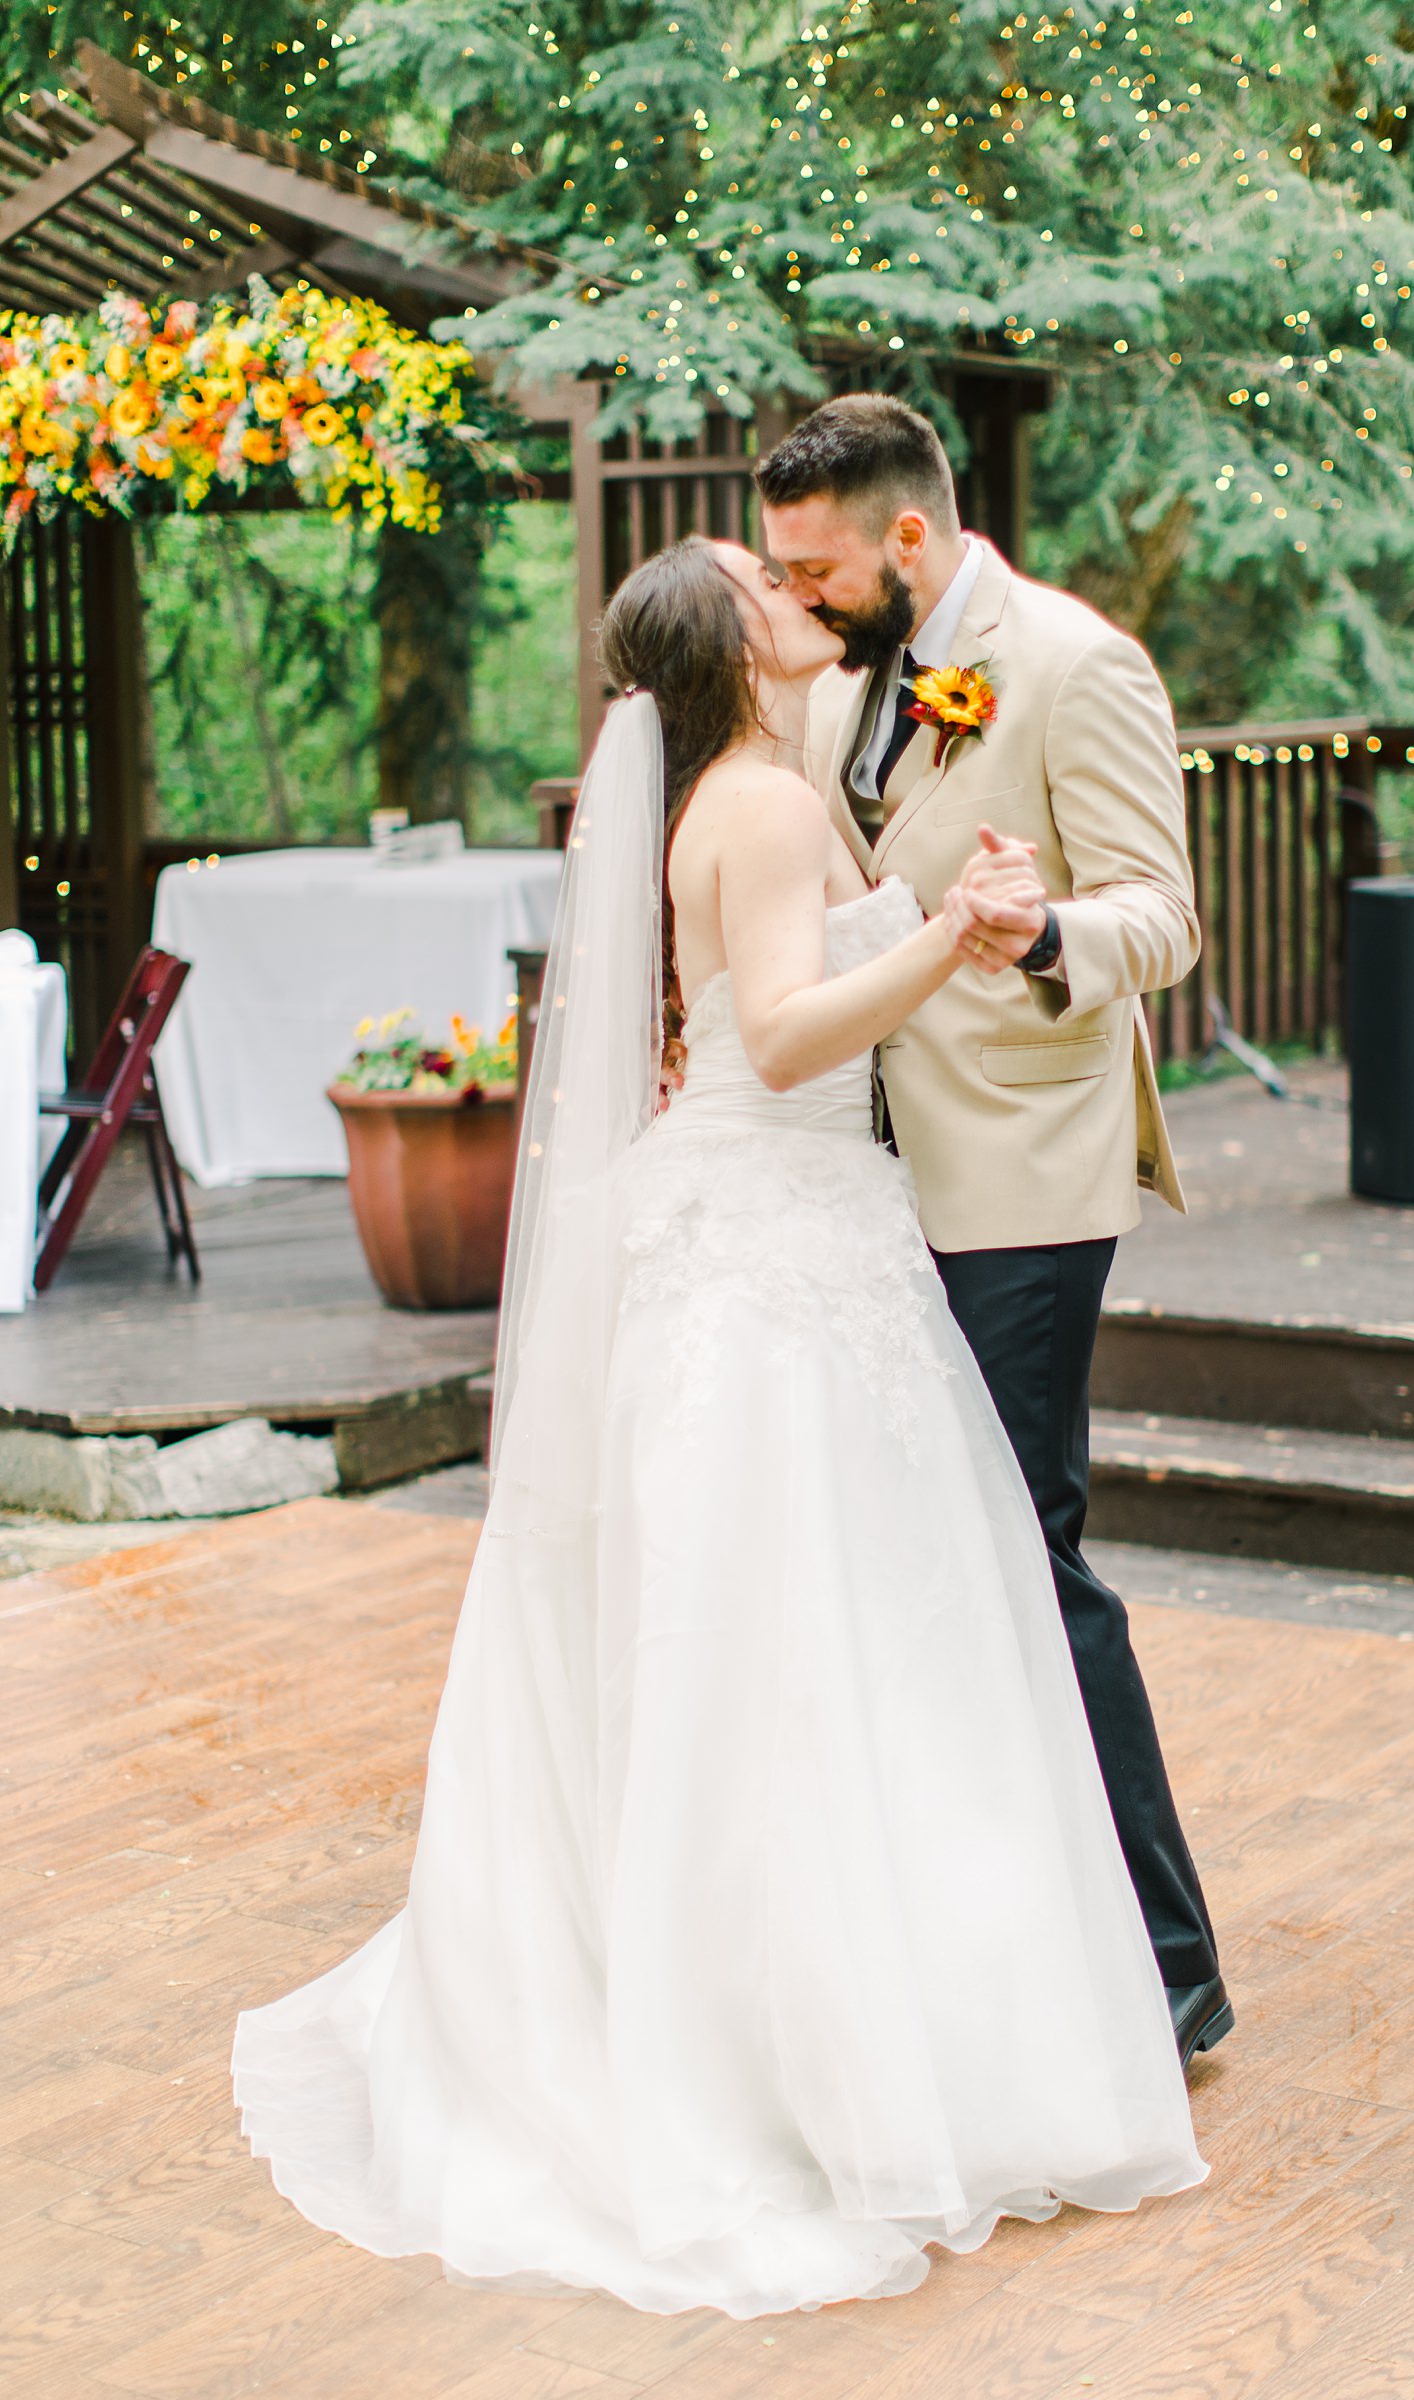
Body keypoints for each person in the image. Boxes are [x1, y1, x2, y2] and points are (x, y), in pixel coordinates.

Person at [231, 534, 1205, 2321]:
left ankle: (885, 2021)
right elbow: (784, 1024)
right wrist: (944, 942)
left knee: (851, 1643)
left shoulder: (782, 773)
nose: (796, 591)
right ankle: (784, 2060)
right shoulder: (755, 808)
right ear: (734, 646)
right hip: (772, 1252)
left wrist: (964, 899)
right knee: (792, 1650)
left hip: (813, 1231)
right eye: (769, 586)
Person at [758, 393, 1230, 2066]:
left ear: (908, 537)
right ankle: (998, 1931)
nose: (795, 597)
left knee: (1024, 1549)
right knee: (918, 1561)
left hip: (1023, 1176)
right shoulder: (833, 677)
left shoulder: (1075, 661)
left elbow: (1164, 918)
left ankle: (1170, 1962)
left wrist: (1040, 935)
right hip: (854, 1178)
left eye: (817, 567)